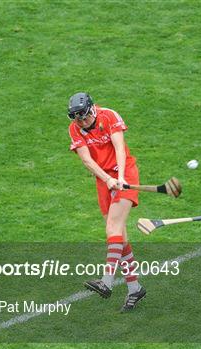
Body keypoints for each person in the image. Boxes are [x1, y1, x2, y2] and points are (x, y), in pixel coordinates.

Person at [67, 92, 146, 311]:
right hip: (104, 180)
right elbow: (86, 160)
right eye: (77, 118)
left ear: (92, 109)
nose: (82, 122)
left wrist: (119, 177)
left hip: (125, 175)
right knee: (119, 236)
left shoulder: (108, 116)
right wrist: (108, 179)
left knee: (113, 227)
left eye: (84, 116)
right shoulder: (74, 129)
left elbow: (119, 147)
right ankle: (135, 288)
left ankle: (107, 281)